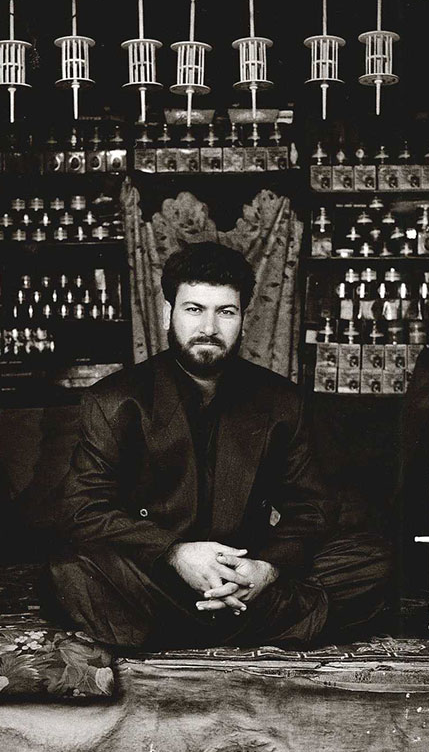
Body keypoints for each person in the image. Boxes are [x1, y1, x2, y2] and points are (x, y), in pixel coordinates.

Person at [49, 240, 392, 651]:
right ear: (167, 314)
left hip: (245, 569)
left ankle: (180, 628)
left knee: (372, 558)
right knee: (75, 571)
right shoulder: (113, 400)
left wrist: (266, 569)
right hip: (157, 571)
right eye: (194, 309)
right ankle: (252, 622)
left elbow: (312, 507)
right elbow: (83, 508)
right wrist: (175, 554)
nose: (209, 328)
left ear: (244, 319)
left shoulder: (281, 402)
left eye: (225, 312)